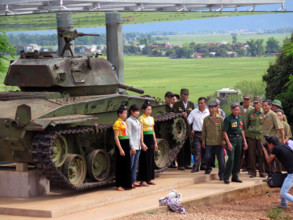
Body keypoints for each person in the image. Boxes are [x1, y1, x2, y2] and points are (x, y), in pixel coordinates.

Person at [262, 136, 293, 209]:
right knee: (283, 186)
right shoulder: (283, 146)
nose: (268, 146)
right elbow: (280, 159)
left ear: (271, 144)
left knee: (283, 192)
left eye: (268, 145)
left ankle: (284, 203)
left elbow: (268, 161)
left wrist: (264, 150)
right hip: (290, 172)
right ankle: (283, 204)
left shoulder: (276, 149)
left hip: (292, 173)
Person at [223, 103, 248, 184]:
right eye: (234, 110)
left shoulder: (240, 118)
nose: (236, 111)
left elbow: (242, 130)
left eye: (237, 110)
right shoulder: (228, 119)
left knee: (238, 159)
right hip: (231, 139)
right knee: (231, 159)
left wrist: (244, 141)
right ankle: (226, 177)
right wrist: (228, 143)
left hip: (239, 139)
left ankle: (235, 176)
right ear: (231, 110)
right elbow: (224, 132)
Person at [201, 100, 225, 179]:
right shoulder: (206, 119)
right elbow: (204, 131)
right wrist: (203, 141)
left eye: (212, 108)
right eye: (209, 108)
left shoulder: (220, 119)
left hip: (219, 143)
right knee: (207, 157)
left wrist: (223, 140)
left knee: (221, 160)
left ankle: (221, 174)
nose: (211, 109)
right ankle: (208, 168)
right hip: (209, 142)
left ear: (216, 108)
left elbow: (223, 131)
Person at [262, 99, 285, 179]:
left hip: (271, 142)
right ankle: (269, 175)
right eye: (263, 105)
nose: (264, 107)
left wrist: (282, 140)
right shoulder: (263, 115)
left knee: (272, 160)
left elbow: (281, 128)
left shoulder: (273, 115)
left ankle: (274, 176)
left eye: (266, 105)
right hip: (264, 141)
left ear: (270, 106)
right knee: (265, 158)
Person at [172, 88, 194, 170]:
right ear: (181, 95)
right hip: (179, 129)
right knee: (181, 146)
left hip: (188, 128)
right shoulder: (177, 104)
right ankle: (181, 164)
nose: (186, 96)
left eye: (187, 94)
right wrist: (181, 114)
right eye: (184, 94)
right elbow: (173, 114)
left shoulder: (191, 104)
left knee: (188, 146)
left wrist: (192, 129)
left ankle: (187, 163)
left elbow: (193, 115)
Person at [138, 100, 158, 186]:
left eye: (150, 109)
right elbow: (141, 132)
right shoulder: (141, 118)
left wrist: (155, 142)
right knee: (144, 159)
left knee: (150, 159)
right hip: (144, 138)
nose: (149, 111)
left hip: (150, 139)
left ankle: (149, 178)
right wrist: (142, 142)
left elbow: (153, 131)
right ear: (143, 110)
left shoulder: (151, 118)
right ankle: (143, 179)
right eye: (147, 109)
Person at [188, 97, 209, 173]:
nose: (200, 105)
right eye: (199, 103)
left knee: (205, 150)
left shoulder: (208, 112)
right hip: (197, 133)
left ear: (205, 104)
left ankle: (203, 165)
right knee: (197, 150)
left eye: (201, 103)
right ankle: (196, 167)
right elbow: (189, 121)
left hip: (206, 134)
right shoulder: (193, 112)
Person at [113, 105, 132, 191]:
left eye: (126, 113)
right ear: (120, 114)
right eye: (124, 113)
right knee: (120, 165)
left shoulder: (124, 122)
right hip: (121, 143)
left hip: (126, 142)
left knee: (126, 165)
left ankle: (126, 183)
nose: (125, 115)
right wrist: (120, 149)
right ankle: (119, 184)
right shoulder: (117, 123)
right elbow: (116, 137)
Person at [246, 97, 266, 178]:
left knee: (261, 154)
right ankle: (253, 171)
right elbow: (247, 123)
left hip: (260, 136)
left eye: (257, 103)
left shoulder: (263, 113)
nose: (255, 105)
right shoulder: (250, 112)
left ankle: (262, 171)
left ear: (260, 104)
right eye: (254, 103)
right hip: (251, 136)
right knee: (251, 154)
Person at [126, 104, 145, 189]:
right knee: (130, 164)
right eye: (136, 111)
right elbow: (129, 134)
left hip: (138, 146)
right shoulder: (129, 121)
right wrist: (132, 147)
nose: (138, 113)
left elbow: (139, 134)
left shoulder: (137, 121)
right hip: (133, 146)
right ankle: (127, 181)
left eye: (138, 111)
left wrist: (141, 144)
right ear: (131, 112)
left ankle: (133, 181)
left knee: (134, 165)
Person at [239, 94, 254, 172]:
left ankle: (249, 167)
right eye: (245, 99)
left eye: (248, 100)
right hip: (240, 133)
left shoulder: (253, 110)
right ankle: (239, 167)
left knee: (250, 152)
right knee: (240, 151)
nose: (246, 101)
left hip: (250, 133)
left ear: (250, 101)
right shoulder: (239, 110)